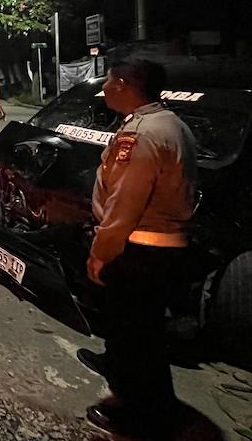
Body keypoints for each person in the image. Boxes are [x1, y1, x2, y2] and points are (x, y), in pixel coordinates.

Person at [76, 59, 196, 436]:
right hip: (155, 246)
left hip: (140, 246)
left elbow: (125, 204)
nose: (104, 90)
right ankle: (117, 366)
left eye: (108, 82)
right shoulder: (167, 122)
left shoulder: (143, 134)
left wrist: (101, 251)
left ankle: (141, 413)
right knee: (131, 328)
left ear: (125, 84)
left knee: (139, 336)